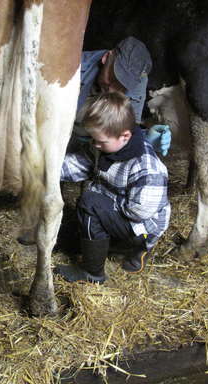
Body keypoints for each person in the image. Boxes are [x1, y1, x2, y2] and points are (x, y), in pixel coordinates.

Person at [55, 91, 171, 285]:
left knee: (90, 203)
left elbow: (140, 211)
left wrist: (100, 195)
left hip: (142, 227)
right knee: (71, 238)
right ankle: (112, 246)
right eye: (95, 139)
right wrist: (46, 170)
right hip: (126, 213)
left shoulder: (147, 168)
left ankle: (93, 273)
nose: (96, 145)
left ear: (125, 136)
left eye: (101, 141)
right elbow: (81, 164)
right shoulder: (107, 146)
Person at [70, 36, 171, 155]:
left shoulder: (137, 81)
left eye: (122, 86)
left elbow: (126, 127)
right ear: (106, 57)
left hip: (100, 146)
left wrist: (143, 138)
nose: (112, 90)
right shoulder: (74, 66)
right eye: (112, 78)